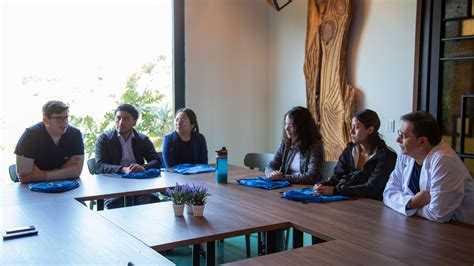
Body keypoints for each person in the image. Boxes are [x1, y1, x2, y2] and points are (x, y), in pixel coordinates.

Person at [383, 111, 473, 224]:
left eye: (403, 136)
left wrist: (405, 206)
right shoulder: (406, 154)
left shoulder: (444, 160)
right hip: (422, 225)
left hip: (460, 229)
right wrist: (412, 203)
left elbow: (438, 214)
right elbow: (388, 193)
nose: (397, 140)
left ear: (422, 142)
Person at [314, 109, 397, 200]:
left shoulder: (386, 155)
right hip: (348, 200)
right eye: (351, 127)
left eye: (356, 127)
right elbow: (337, 177)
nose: (351, 132)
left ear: (370, 130)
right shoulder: (350, 150)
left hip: (374, 205)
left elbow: (372, 189)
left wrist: (335, 191)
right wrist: (322, 185)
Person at [95, 104, 161, 208]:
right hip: (114, 183)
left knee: (149, 202)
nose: (121, 122)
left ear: (134, 122)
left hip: (138, 182)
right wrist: (122, 169)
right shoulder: (104, 139)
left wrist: (143, 167)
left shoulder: (142, 139)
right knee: (116, 205)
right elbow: (99, 166)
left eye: (126, 119)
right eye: (118, 118)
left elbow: (156, 161)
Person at [14, 100, 84, 184]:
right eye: (59, 118)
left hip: (66, 187)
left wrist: (42, 175)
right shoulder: (30, 135)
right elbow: (24, 177)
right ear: (46, 120)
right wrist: (63, 170)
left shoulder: (75, 134)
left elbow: (76, 172)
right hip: (33, 190)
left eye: (66, 118)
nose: (64, 122)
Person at [265, 106, 324, 184]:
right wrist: (271, 173)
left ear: (302, 128)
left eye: (291, 126)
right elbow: (270, 165)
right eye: (285, 124)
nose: (286, 128)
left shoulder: (316, 146)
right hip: (286, 186)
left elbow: (312, 177)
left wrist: (282, 177)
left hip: (306, 191)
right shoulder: (286, 143)